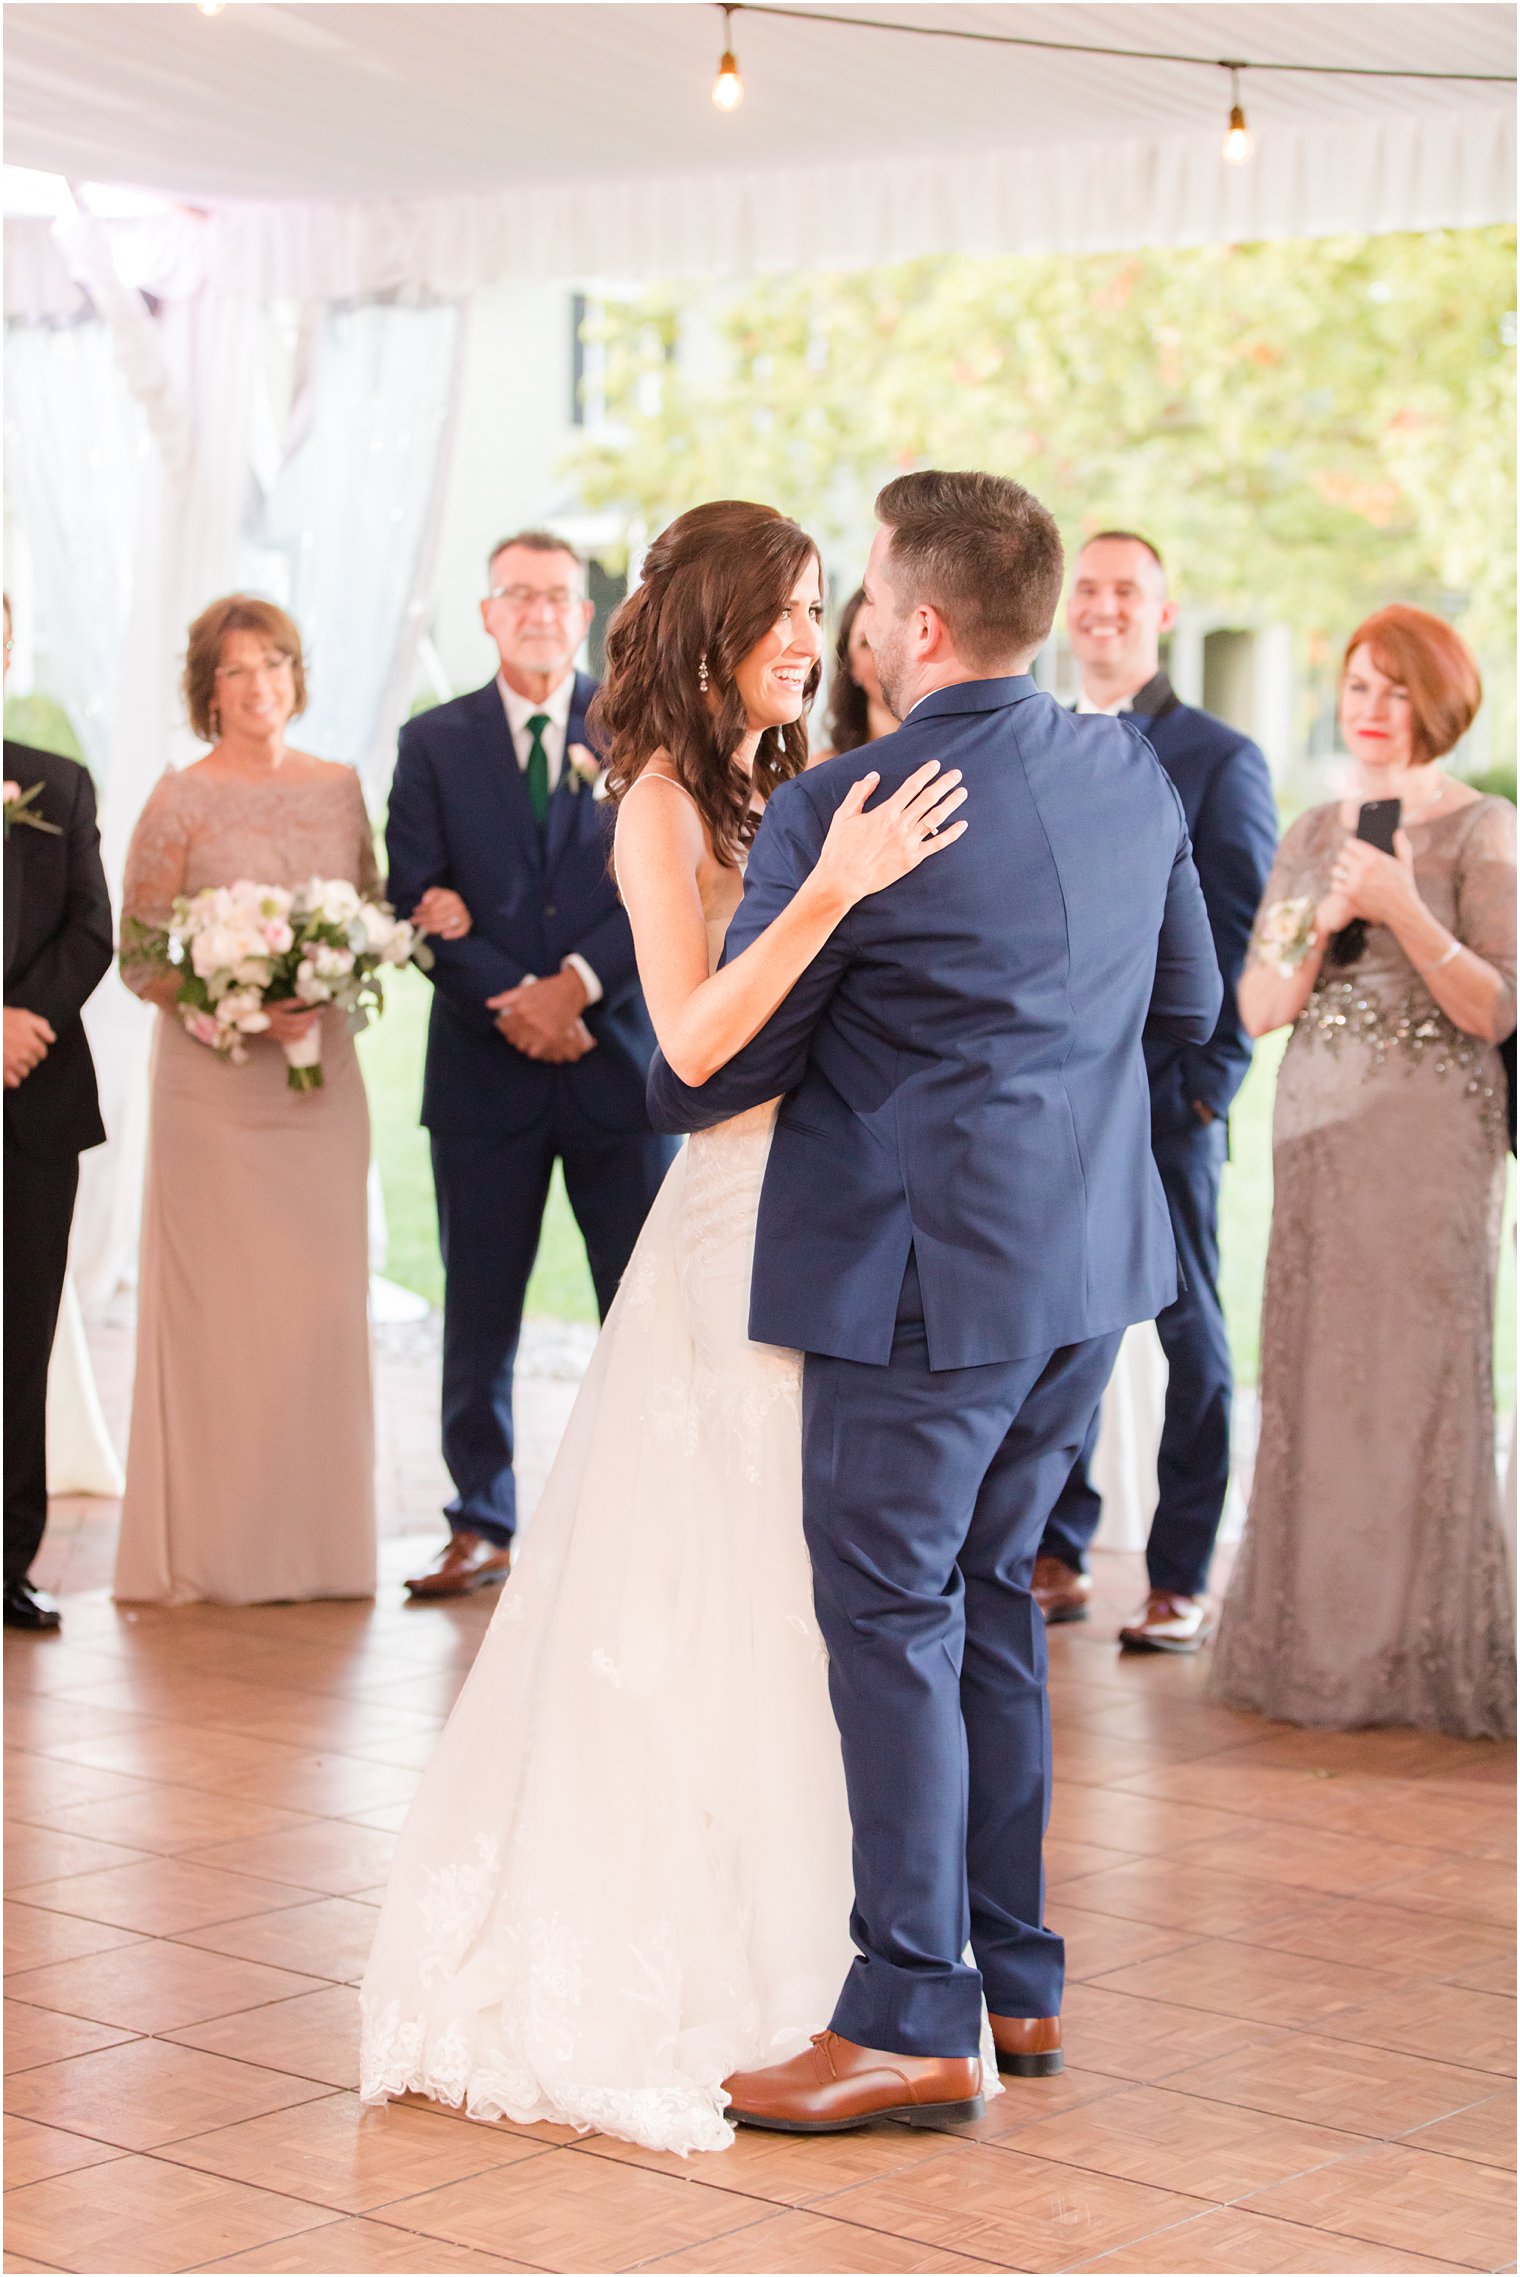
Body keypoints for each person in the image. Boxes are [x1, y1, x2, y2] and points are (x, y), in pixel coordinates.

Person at [360, 499, 971, 2153]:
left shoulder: (804, 773)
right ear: (705, 622)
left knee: (819, 1569)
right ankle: (710, 1952)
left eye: (818, 605)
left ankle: (853, 1953)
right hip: (737, 1206)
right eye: (780, 609)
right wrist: (833, 891)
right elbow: (694, 1030)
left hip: (846, 1197)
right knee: (724, 1560)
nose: (806, 632)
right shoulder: (657, 798)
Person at [650, 471, 1220, 2134]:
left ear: (915, 621)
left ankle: (909, 2011)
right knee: (983, 1600)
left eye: (868, 593)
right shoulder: (1128, 769)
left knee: (891, 1620)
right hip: (1087, 1270)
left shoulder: (855, 801)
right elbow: (1183, 1007)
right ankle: (1019, 1976)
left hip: (919, 1280)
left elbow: (716, 1070)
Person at [1211, 604, 1515, 1737]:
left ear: (1435, 702)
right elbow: (1256, 1007)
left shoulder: (1482, 829)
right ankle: (1320, 1646)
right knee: (1317, 1381)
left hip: (1432, 1138)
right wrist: (1326, 912)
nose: (1370, 709)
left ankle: (1416, 1651)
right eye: (1355, 686)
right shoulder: (1308, 831)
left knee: (1416, 1383)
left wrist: (1402, 911)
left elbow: (1495, 1005)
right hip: (1317, 1134)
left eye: (1394, 689)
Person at [385, 531, 674, 1601]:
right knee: (478, 1311)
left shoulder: (641, 730)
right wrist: (514, 999)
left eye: (557, 595)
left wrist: (576, 990)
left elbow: (668, 889)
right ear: (487, 613)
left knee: (641, 1309)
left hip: (618, 1063)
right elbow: (412, 896)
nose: (540, 612)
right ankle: (479, 1520)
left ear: (583, 612)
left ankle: (646, 1514)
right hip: (483, 1072)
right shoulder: (432, 744)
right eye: (519, 595)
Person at [1034, 533, 1278, 1652]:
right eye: (1084, 589)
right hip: (1043, 1100)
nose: (1100, 609)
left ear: (1161, 611)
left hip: (1162, 1101)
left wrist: (1199, 1094)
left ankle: (1179, 1573)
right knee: (1048, 1325)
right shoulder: (1025, 739)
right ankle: (1052, 1544)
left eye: (1123, 591)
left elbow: (1232, 945)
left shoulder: (1218, 760)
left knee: (1190, 1335)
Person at [115, 597, 381, 1605]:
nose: (259, 684)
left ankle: (316, 1551)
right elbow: (140, 950)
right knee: (217, 1315)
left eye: (273, 663)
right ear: (205, 688)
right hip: (212, 1101)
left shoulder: (341, 788)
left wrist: (322, 980)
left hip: (320, 1091)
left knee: (314, 1309)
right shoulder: (177, 800)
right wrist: (227, 1004)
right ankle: (209, 1553)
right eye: (236, 670)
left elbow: (368, 912)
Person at [3, 594, 113, 1633]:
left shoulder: (55, 783)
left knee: (20, 1330)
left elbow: (92, 929)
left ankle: (9, 1561)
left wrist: (23, 1018)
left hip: (32, 1101)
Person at [816, 585, 897, 758]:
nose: (881, 656)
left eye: (889, 638)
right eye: (865, 643)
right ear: (851, 667)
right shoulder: (824, 769)